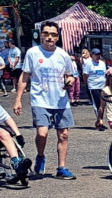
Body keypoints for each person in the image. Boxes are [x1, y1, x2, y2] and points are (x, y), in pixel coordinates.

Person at [13, 20, 78, 180]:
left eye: (53, 35)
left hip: (61, 101)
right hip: (40, 100)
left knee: (63, 135)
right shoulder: (33, 53)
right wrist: (18, 99)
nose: (50, 37)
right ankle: (40, 156)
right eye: (46, 34)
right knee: (42, 133)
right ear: (40, 35)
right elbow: (24, 76)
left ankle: (61, 167)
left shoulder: (63, 55)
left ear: (58, 37)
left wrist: (69, 81)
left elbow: (71, 75)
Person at [82, 47, 108, 129]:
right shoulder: (88, 64)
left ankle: (99, 120)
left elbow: (104, 74)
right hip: (93, 86)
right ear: (91, 55)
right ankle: (99, 122)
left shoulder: (102, 63)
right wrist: (87, 83)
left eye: (98, 54)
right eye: (95, 54)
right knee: (97, 105)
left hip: (102, 86)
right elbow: (85, 75)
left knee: (103, 104)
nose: (97, 56)